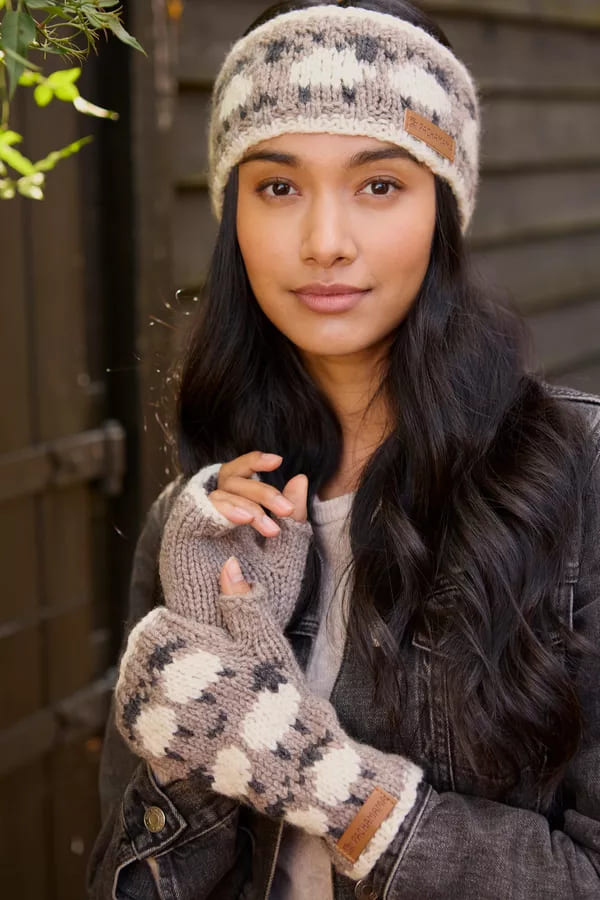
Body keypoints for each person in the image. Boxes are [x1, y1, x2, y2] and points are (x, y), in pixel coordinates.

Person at [87, 1, 600, 898]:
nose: (325, 243)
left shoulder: (581, 476)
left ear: (444, 208)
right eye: (278, 187)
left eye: (379, 185)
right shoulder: (202, 522)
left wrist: (343, 794)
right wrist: (176, 766)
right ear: (233, 217)